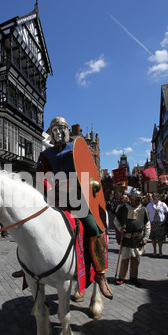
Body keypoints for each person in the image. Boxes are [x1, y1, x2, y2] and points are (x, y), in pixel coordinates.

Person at [12, 116, 113, 300]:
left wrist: (85, 186)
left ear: (67, 131)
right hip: (54, 199)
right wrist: (49, 189)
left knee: (94, 228)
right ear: (51, 134)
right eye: (55, 130)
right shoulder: (46, 155)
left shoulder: (76, 150)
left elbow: (89, 173)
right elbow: (41, 177)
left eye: (62, 129)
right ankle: (27, 265)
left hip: (78, 200)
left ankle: (100, 274)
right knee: (30, 225)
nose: (59, 133)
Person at [114, 188, 150, 287]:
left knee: (136, 259)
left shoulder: (143, 209)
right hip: (127, 237)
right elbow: (116, 220)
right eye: (134, 199)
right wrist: (120, 229)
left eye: (137, 199)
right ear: (130, 198)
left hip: (138, 238)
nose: (135, 201)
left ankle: (134, 277)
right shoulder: (123, 208)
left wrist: (146, 237)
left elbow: (147, 224)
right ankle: (122, 277)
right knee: (125, 258)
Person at [146, 193, 168, 257]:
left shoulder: (162, 204)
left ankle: (160, 250)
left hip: (160, 223)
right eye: (153, 197)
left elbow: (166, 212)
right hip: (153, 222)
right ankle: (154, 250)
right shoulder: (149, 205)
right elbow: (147, 212)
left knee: (160, 238)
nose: (154, 198)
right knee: (153, 238)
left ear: (158, 198)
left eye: (155, 197)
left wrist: (163, 219)